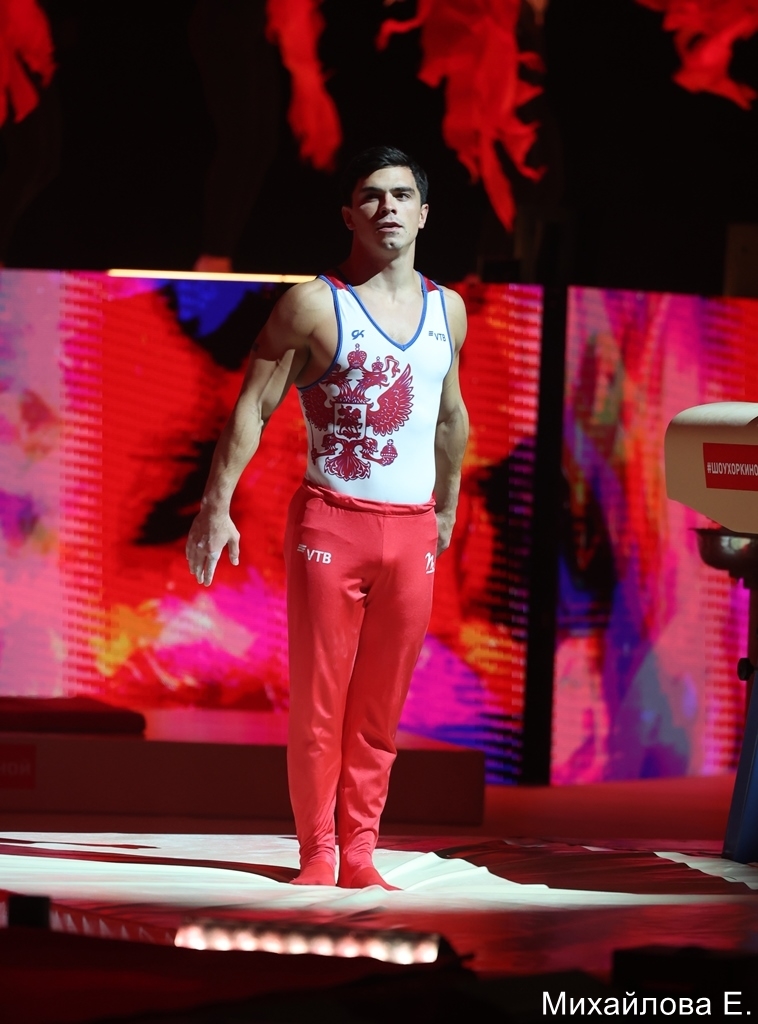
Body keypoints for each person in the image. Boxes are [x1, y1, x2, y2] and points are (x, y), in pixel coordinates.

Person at [186, 145, 468, 889]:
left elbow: (449, 415)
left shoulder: (449, 310)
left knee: (379, 709)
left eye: (401, 195)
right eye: (371, 195)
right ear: (349, 214)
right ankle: (318, 851)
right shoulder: (314, 304)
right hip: (332, 524)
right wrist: (216, 507)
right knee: (320, 701)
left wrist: (447, 505)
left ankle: (362, 852)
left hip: (411, 530)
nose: (387, 207)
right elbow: (253, 407)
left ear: (424, 214)